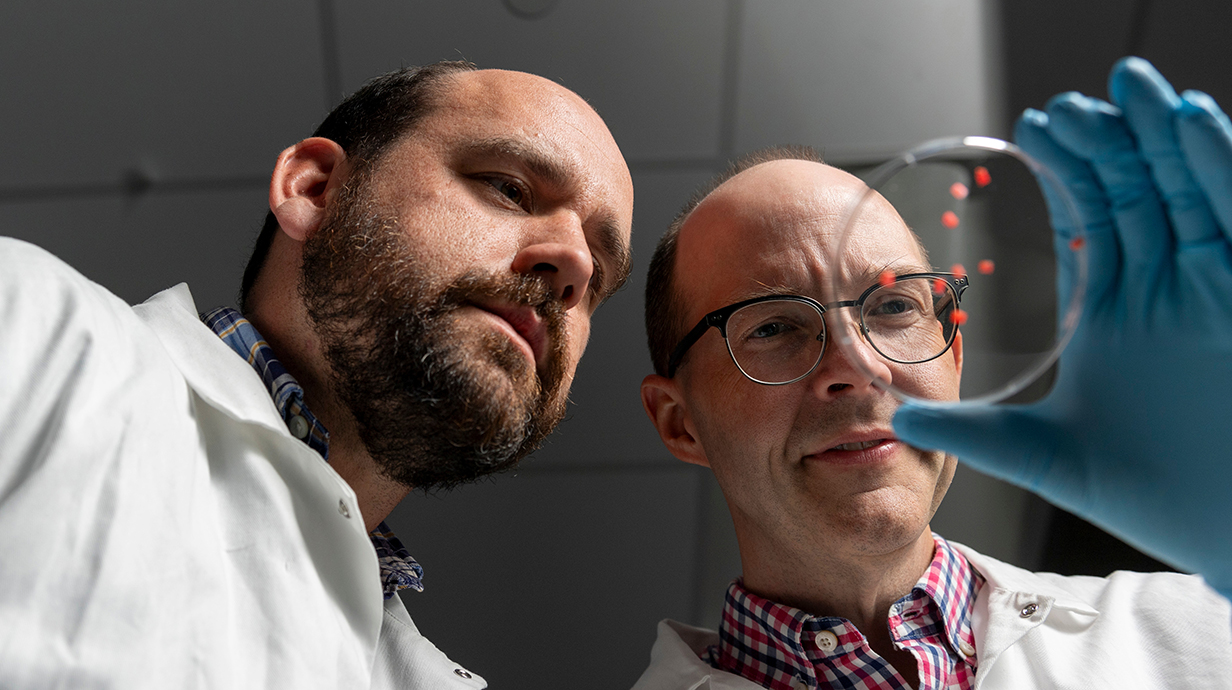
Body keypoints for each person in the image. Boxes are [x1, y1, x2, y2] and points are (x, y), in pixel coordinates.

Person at [0, 61, 633, 689]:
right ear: (313, 189)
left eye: (599, 277)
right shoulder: (33, 327)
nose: (574, 266)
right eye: (508, 188)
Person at [632, 59, 1232, 690]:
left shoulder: (1200, 628)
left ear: (954, 358)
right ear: (681, 423)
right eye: (774, 327)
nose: (857, 366)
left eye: (892, 306)